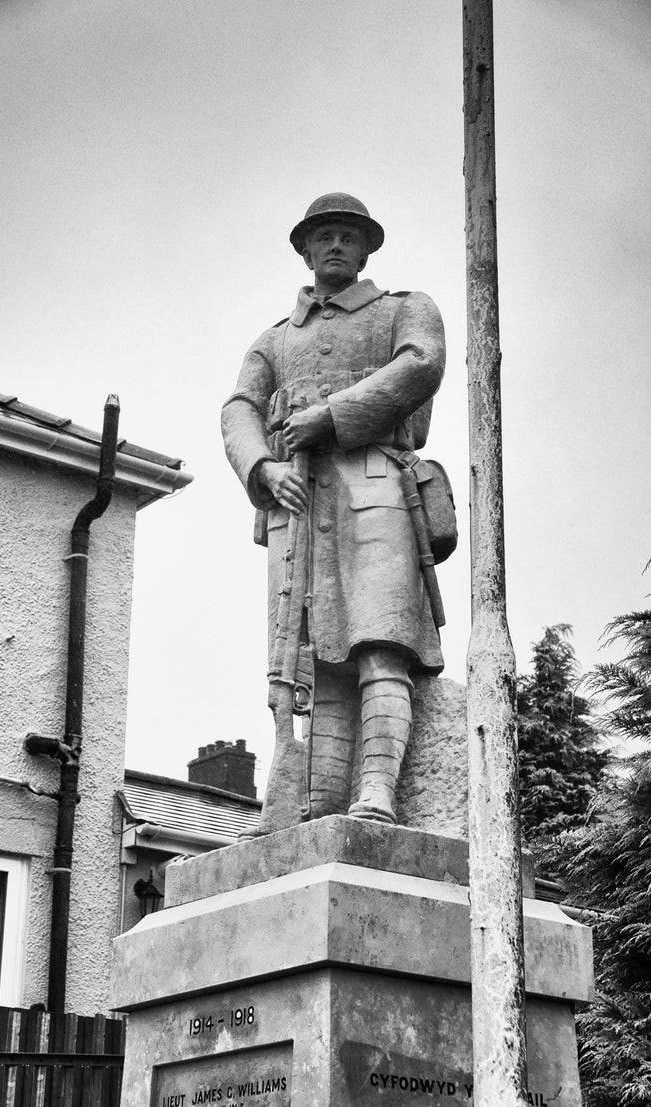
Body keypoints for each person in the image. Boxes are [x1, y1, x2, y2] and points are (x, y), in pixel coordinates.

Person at [221, 193, 447, 827]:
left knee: (382, 641)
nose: (337, 246)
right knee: (320, 661)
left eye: (349, 235)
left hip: (376, 486)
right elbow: (239, 407)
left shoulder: (405, 309)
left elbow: (422, 363)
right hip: (297, 498)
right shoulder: (273, 341)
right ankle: (319, 804)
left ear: (367, 246)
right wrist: (260, 470)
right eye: (324, 236)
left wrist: (331, 416)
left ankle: (376, 790)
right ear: (305, 248)